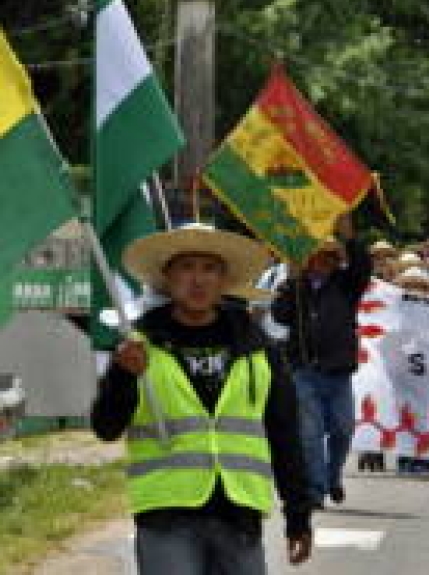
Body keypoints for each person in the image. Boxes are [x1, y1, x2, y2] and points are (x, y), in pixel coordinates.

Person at [91, 224, 313, 573]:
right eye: (187, 267)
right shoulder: (139, 346)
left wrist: (298, 514)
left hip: (239, 513)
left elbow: (285, 433)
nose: (198, 280)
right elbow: (105, 427)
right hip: (167, 515)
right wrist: (121, 377)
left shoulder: (258, 349)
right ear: (167, 276)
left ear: (224, 280)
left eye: (209, 268)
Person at [270, 213, 371, 507]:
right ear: (309, 259)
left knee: (343, 430)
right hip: (303, 370)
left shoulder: (346, 285)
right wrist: (291, 278)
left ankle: (332, 475)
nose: (322, 262)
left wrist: (349, 236)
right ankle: (315, 490)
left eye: (328, 257)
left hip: (338, 373)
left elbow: (362, 266)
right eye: (317, 257)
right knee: (310, 433)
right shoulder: (294, 286)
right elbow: (280, 314)